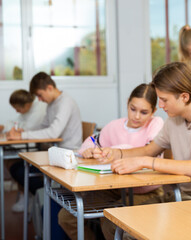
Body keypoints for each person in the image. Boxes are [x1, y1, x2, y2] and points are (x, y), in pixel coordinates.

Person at [95, 62, 191, 240]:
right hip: (178, 196)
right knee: (112, 222)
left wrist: (146, 162)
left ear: (184, 97)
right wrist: (116, 153)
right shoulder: (174, 121)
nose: (161, 105)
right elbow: (149, 150)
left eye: (164, 99)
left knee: (130, 234)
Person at [58, 83, 165, 240]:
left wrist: (116, 151)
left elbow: (149, 151)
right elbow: (93, 140)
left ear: (153, 112)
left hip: (145, 190)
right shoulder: (114, 126)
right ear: (127, 103)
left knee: (109, 219)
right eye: (133, 109)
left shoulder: (155, 124)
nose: (136, 116)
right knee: (66, 217)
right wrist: (88, 150)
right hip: (112, 187)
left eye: (144, 112)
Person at [7, 72, 82, 212]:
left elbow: (53, 132)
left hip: (68, 156)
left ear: (49, 88)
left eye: (40, 95)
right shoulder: (52, 104)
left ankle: (43, 196)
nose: (39, 100)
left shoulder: (65, 102)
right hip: (56, 154)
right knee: (18, 166)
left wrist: (22, 137)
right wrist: (22, 133)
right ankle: (42, 196)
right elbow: (43, 126)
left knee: (19, 169)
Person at [0, 89, 47, 212]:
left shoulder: (38, 111)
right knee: (9, 161)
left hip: (38, 149)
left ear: (26, 105)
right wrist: (6, 127)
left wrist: (15, 130)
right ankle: (25, 195)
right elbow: (18, 124)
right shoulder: (28, 110)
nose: (16, 111)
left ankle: (28, 195)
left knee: (13, 163)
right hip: (31, 146)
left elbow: (25, 131)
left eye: (17, 108)